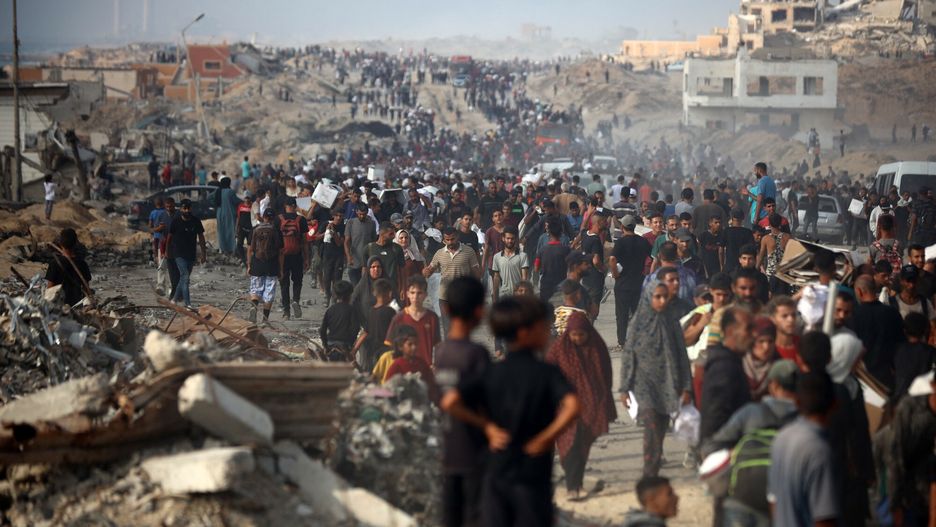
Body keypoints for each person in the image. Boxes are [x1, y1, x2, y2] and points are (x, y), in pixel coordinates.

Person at [440, 296, 580, 527]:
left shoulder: (492, 372)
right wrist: (546, 438)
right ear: (525, 333)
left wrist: (488, 428)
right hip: (533, 476)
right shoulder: (546, 373)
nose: (548, 333)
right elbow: (573, 406)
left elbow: (450, 402)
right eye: (543, 327)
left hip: (496, 473)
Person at [702, 360, 799, 527]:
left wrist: (735, 452)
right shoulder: (805, 419)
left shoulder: (750, 412)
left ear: (773, 385)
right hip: (786, 502)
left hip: (743, 500)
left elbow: (710, 447)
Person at [433, 277, 490, 527]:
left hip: (447, 451)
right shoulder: (477, 355)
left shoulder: (442, 352)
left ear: (446, 309)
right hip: (472, 454)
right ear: (479, 311)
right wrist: (488, 426)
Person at [620, 283, 692, 477]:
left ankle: (655, 462)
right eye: (658, 297)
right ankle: (649, 473)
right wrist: (624, 388)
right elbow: (628, 356)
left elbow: (681, 355)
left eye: (665, 297)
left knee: (660, 427)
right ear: (649, 297)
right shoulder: (638, 322)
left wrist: (686, 387)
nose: (662, 301)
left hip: (668, 382)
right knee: (651, 426)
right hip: (644, 384)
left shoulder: (671, 321)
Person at [546, 312, 616, 499]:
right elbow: (547, 376)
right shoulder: (558, 350)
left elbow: (606, 374)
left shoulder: (597, 347)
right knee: (569, 445)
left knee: (582, 444)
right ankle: (572, 486)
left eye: (581, 335)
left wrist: (604, 398)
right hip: (564, 407)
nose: (577, 338)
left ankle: (576, 484)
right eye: (574, 335)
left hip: (590, 406)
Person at [767, 371, 840, 527]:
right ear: (835, 404)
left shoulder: (782, 437)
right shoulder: (819, 451)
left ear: (797, 402)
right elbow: (824, 519)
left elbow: (773, 500)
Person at [878, 371, 936, 525]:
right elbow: (895, 458)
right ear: (933, 385)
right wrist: (895, 505)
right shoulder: (909, 409)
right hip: (910, 498)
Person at [700, 307, 755, 448]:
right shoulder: (724, 367)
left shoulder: (733, 361)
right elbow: (716, 414)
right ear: (730, 331)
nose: (753, 335)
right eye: (748, 329)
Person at [850, 274, 905, 391]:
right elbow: (901, 343)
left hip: (863, 377)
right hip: (889, 375)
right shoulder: (892, 313)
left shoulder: (853, 316)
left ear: (859, 291)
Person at [424, 226, 482, 335]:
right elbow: (430, 270)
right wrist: (426, 271)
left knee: (462, 326)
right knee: (447, 327)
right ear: (444, 240)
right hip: (445, 296)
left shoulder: (469, 251)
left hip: (463, 296)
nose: (450, 242)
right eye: (447, 240)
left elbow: (476, 273)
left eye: (452, 239)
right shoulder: (439, 253)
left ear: (458, 237)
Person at [611, 215, 652, 347]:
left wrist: (615, 274)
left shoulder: (620, 242)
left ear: (622, 227)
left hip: (623, 283)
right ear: (634, 226)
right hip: (638, 282)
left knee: (622, 314)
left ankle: (622, 341)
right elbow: (652, 256)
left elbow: (612, 259)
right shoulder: (643, 241)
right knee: (637, 313)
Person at [386, 275, 441, 366]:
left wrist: (435, 364)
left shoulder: (432, 318)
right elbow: (390, 345)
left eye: (419, 293)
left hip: (426, 367)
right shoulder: (399, 318)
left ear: (425, 294)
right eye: (412, 292)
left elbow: (438, 345)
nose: (415, 296)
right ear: (407, 294)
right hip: (404, 368)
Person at [166, 199, 206, 308]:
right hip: (178, 254)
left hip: (191, 254)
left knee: (183, 278)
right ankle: (188, 304)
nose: (187, 210)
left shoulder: (196, 221)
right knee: (185, 276)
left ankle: (174, 300)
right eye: (184, 208)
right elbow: (169, 238)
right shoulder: (176, 221)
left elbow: (201, 238)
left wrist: (203, 254)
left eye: (188, 208)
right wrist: (167, 252)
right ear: (180, 209)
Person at [351, 278, 396, 373]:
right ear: (389, 294)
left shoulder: (371, 311)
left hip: (372, 351)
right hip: (386, 351)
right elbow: (395, 332)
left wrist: (354, 349)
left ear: (374, 294)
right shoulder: (390, 312)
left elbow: (365, 332)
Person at [384, 324, 440, 401]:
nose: (414, 347)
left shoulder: (422, 363)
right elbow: (388, 389)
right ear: (400, 346)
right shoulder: (396, 366)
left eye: (416, 344)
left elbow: (431, 385)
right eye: (410, 344)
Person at [246, 207, 281, 324]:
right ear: (273, 218)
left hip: (257, 264)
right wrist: (281, 269)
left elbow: (250, 249)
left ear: (263, 217)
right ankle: (265, 320)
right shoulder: (276, 230)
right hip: (272, 265)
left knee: (255, 289)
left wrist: (249, 265)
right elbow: (281, 252)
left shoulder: (255, 229)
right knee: (269, 293)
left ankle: (253, 308)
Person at [277, 197, 310, 320]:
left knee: (284, 283)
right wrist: (306, 258)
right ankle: (295, 300)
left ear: (285, 206)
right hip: (297, 254)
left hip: (282, 256)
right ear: (295, 206)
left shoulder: (278, 219)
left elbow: (275, 240)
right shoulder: (301, 220)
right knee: (297, 281)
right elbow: (305, 241)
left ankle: (286, 312)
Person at [893, 312, 936, 399]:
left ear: (904, 331)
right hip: (921, 399)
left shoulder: (897, 350)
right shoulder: (930, 351)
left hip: (901, 398)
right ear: (925, 330)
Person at [45, 228, 92, 306]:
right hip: (76, 304)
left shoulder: (55, 263)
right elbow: (86, 289)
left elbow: (50, 289)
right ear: (75, 243)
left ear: (60, 244)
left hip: (59, 306)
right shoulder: (82, 263)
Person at [490, 225, 529, 303]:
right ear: (503, 238)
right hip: (504, 294)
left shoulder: (522, 256)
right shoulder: (497, 257)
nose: (510, 241)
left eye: (512, 238)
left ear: (516, 239)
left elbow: (524, 278)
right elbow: (496, 278)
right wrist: (495, 297)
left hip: (518, 295)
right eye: (508, 238)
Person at [367, 221, 405, 297]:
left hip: (392, 289)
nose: (393, 236)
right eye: (390, 234)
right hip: (374, 289)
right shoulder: (369, 248)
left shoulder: (397, 248)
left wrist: (402, 288)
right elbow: (365, 270)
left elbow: (402, 270)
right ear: (382, 234)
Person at [537, 219, 571, 303]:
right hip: (561, 284)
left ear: (549, 232)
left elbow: (536, 268)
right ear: (561, 233)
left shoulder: (542, 250)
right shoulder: (566, 250)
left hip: (546, 285)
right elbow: (570, 267)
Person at [744, 317, 779, 400]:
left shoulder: (778, 366)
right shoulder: (739, 363)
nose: (766, 347)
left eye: (770, 341)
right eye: (761, 341)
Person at [757, 214, 790, 296]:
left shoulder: (766, 238)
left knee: (770, 295)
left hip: (771, 272)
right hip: (784, 272)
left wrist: (756, 269)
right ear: (780, 223)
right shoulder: (787, 237)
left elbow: (761, 256)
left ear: (769, 224)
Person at [320, 280, 357, 352]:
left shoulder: (330, 310)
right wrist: (351, 344)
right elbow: (355, 329)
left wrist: (325, 346)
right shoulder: (351, 310)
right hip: (345, 345)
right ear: (350, 295)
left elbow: (322, 330)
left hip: (330, 343)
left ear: (335, 295)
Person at [344, 202, 377, 285]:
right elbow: (347, 242)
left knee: (365, 284)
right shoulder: (351, 223)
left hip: (367, 259)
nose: (362, 216)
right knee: (355, 285)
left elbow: (374, 241)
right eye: (360, 214)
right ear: (356, 212)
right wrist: (348, 257)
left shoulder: (372, 223)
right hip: (354, 260)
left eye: (364, 214)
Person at [320, 210, 345, 307]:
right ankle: (327, 295)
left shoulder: (343, 227)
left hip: (338, 255)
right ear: (333, 216)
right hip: (327, 255)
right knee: (327, 277)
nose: (338, 218)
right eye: (337, 215)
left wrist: (333, 232)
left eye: (340, 216)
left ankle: (335, 298)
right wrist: (326, 232)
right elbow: (316, 237)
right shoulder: (326, 224)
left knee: (337, 278)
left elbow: (339, 243)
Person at [214, 176, 239, 255]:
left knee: (221, 231)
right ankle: (231, 249)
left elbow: (209, 197)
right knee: (230, 231)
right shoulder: (230, 192)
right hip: (229, 213)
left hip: (219, 213)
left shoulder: (218, 191)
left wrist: (215, 204)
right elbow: (236, 201)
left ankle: (223, 249)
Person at [699, 215, 725, 280]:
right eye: (716, 222)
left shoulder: (722, 235)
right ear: (710, 223)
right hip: (707, 266)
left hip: (718, 266)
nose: (718, 224)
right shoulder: (703, 235)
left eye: (719, 222)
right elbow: (699, 250)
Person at [234, 193, 254, 266]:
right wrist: (236, 228)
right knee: (239, 245)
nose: (247, 200)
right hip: (242, 229)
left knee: (250, 246)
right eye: (246, 198)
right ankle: (244, 260)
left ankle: (250, 261)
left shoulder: (253, 206)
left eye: (248, 198)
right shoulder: (240, 206)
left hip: (250, 230)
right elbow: (238, 218)